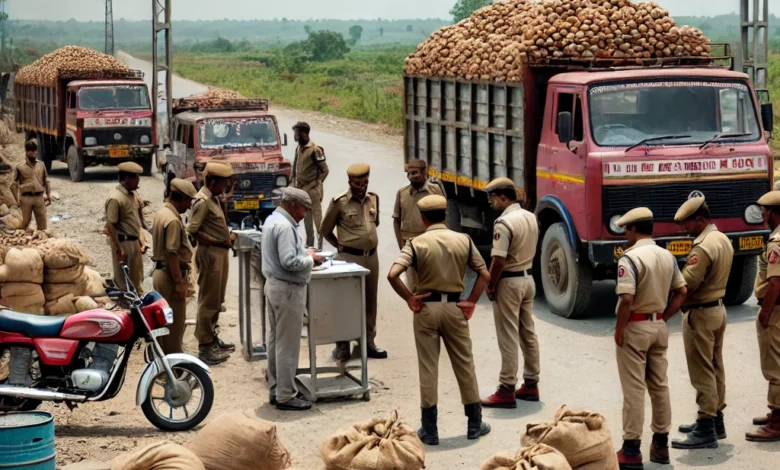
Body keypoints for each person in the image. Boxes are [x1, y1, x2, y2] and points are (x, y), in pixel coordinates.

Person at [387, 194, 491, 445]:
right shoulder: (463, 240)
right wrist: (471, 301)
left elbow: (393, 274)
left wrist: (410, 299)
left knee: (428, 367)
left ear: (423, 218)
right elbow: (484, 274)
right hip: (455, 307)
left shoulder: (415, 243)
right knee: (465, 363)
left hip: (426, 310)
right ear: (444, 215)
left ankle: (430, 429)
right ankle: (474, 423)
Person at [613, 207, 687, 469]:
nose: (624, 234)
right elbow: (682, 291)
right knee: (659, 386)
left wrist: (620, 330)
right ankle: (660, 445)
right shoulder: (667, 256)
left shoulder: (629, 259)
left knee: (633, 390)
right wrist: (663, 318)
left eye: (626, 229)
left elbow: (627, 299)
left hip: (635, 327)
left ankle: (631, 450)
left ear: (634, 229)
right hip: (658, 326)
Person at [671, 197, 733, 449]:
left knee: (702, 370)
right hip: (717, 309)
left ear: (700, 219)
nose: (685, 228)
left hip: (701, 314)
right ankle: (716, 419)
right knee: (716, 365)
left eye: (688, 223)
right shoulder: (722, 239)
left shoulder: (702, 247)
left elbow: (686, 284)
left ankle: (706, 424)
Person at [262, 187, 325, 411]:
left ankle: (276, 388)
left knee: (276, 341)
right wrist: (311, 259)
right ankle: (286, 395)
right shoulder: (285, 227)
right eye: (303, 209)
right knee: (287, 345)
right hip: (287, 289)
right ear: (292, 204)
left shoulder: (273, 220)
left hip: (274, 286)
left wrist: (304, 254)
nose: (304, 214)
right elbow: (289, 261)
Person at [480, 177, 541, 409]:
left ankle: (506, 388)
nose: (491, 203)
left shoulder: (504, 223)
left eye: (492, 198)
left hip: (510, 281)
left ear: (503, 197)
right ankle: (531, 382)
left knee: (507, 335)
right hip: (528, 278)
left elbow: (498, 260)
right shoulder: (530, 217)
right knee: (528, 332)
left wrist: (491, 284)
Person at [321, 163, 387, 360]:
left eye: (365, 182)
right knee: (346, 302)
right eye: (358, 183)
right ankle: (342, 345)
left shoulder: (373, 198)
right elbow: (325, 230)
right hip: (349, 258)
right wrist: (341, 247)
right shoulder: (340, 202)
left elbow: (375, 224)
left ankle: (368, 341)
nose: (362, 186)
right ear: (350, 182)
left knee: (370, 301)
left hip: (371, 258)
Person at [188, 162, 234, 365]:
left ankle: (212, 338)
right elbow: (193, 232)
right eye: (223, 182)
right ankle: (205, 346)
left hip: (220, 254)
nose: (225, 186)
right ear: (213, 181)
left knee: (217, 300)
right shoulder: (202, 200)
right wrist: (220, 241)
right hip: (210, 255)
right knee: (208, 301)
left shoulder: (214, 198)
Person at [746, 190, 780, 442]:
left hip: (776, 309)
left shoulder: (776, 242)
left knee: (775, 366)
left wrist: (765, 312)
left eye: (766, 212)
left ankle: (778, 421)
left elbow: (776, 281)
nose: (763, 217)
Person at [151, 179, 197, 355]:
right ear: (182, 198)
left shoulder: (162, 212)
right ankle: (174, 369)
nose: (189, 205)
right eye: (189, 201)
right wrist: (179, 282)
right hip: (170, 276)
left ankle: (165, 363)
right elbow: (172, 254)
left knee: (164, 323)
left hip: (161, 273)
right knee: (174, 326)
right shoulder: (173, 220)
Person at [392, 160, 444, 293]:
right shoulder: (402, 193)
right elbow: (396, 221)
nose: (412, 177)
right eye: (409, 174)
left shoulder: (435, 190)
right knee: (414, 288)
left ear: (424, 172)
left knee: (432, 286)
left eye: (415, 173)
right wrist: (402, 247)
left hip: (431, 245)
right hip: (411, 247)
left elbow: (443, 219)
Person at [105, 162, 145, 293]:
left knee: (136, 280)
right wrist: (119, 248)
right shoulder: (116, 198)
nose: (138, 181)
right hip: (123, 243)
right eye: (136, 178)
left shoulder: (131, 195)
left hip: (133, 242)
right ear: (127, 179)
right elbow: (110, 225)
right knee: (123, 283)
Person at [291, 122, 329, 250]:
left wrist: (316, 184)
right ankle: (310, 245)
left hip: (312, 190)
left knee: (318, 220)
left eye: (296, 134)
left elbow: (325, 170)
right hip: (302, 190)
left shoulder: (315, 150)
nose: (295, 137)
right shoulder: (299, 148)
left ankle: (320, 245)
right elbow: (295, 168)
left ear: (303, 133)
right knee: (306, 219)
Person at [13, 140, 51, 230]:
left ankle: (41, 241)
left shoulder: (41, 165)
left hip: (39, 198)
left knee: (42, 224)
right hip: (26, 198)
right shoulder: (20, 167)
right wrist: (17, 199)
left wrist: (49, 195)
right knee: (24, 222)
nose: (33, 154)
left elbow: (46, 181)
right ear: (26, 152)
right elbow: (14, 184)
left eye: (35, 151)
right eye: (31, 152)